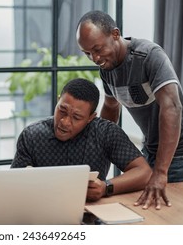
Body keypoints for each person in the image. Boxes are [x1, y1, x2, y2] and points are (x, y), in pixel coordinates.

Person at [76, 10, 183, 209]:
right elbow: (110, 108)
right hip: (151, 149)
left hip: (182, 152)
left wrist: (161, 172)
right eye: (87, 53)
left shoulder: (148, 56)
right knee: (144, 210)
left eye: (97, 49)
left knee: (168, 219)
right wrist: (100, 151)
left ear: (115, 34)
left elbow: (172, 107)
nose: (94, 58)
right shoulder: (106, 69)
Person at [11, 78, 152, 202]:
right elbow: (13, 184)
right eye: (62, 110)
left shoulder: (105, 132)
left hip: (92, 212)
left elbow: (144, 173)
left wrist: (106, 187)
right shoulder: (32, 135)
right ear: (58, 100)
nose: (65, 122)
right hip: (43, 211)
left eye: (76, 117)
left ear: (91, 117)